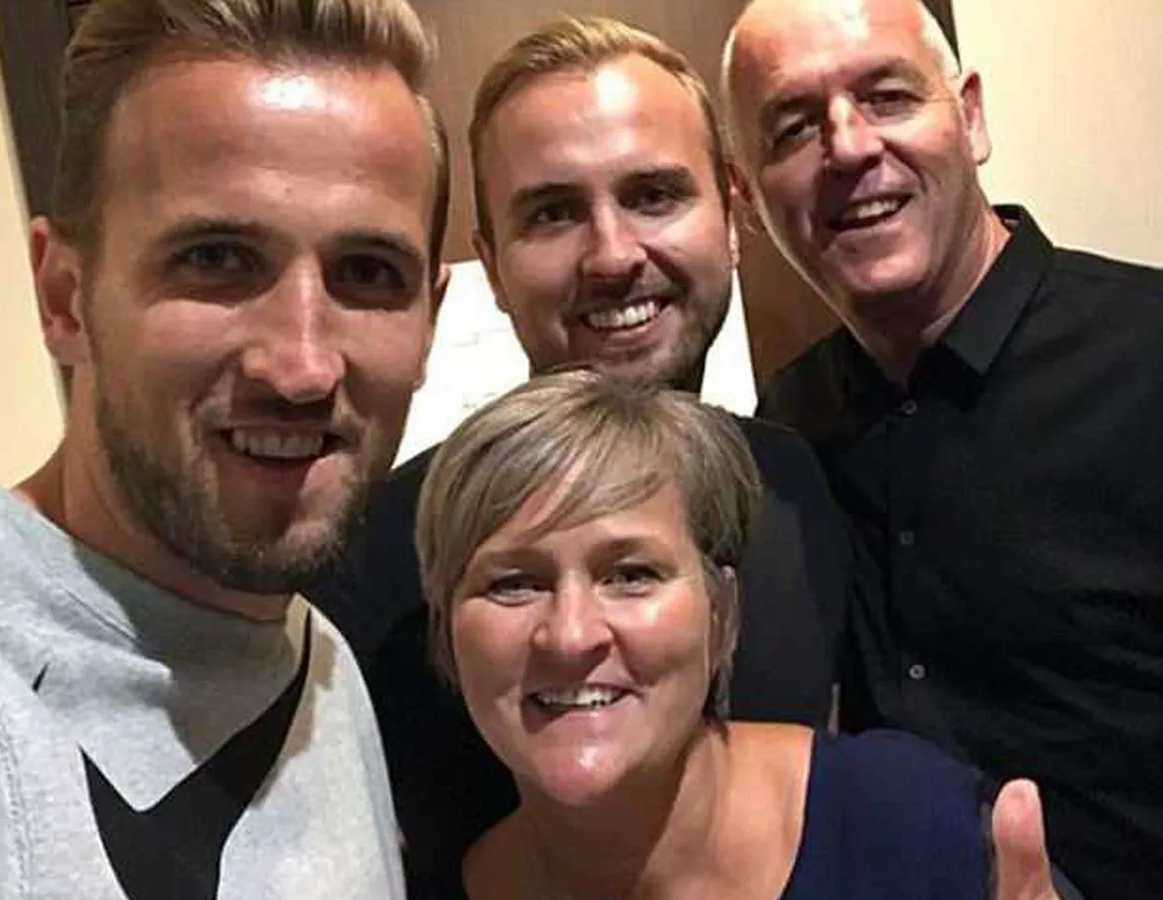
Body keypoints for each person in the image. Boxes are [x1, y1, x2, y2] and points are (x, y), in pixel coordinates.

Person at [307, 17, 851, 897]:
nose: (612, 254)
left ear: (732, 215)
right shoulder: (375, 557)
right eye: (553, 213)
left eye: (654, 195)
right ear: (491, 262)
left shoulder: (798, 484)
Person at [0, 0, 450, 896]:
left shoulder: (324, 669)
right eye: (216, 259)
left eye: (368, 274)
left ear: (429, 322)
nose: (301, 367)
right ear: (65, 297)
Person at [721, 0, 1163, 896]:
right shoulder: (790, 425)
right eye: (794, 127)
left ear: (970, 117)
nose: (848, 147)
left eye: (886, 97)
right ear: (749, 198)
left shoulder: (1148, 356)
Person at [416, 368, 1065, 900]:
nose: (570, 635)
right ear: (446, 633)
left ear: (720, 611)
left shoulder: (909, 825)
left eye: (631, 575)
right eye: (513, 584)